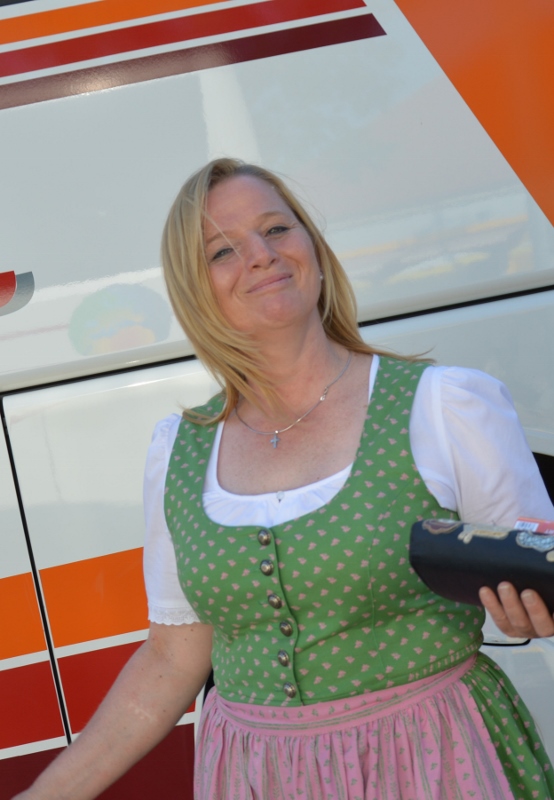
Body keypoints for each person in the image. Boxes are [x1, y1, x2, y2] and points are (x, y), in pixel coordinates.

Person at [13, 158, 554, 800]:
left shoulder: (446, 405)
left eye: (276, 229)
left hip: (432, 760)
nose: (261, 255)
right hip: (257, 777)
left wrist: (531, 612)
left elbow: (537, 573)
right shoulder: (178, 449)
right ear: (195, 289)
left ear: (313, 249)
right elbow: (171, 658)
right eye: (222, 250)